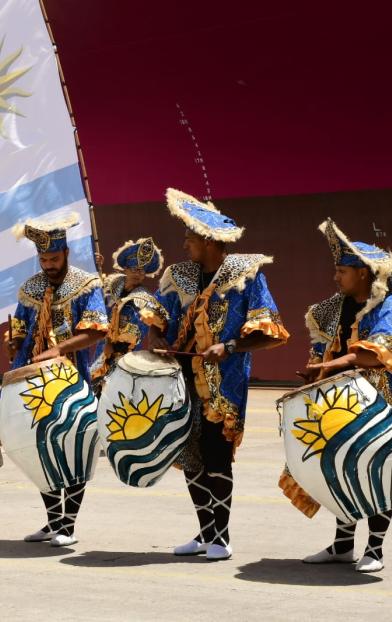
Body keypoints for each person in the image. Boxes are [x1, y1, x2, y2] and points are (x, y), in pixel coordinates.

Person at [148, 189, 289, 560]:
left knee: (216, 455)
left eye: (190, 239)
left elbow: (266, 331)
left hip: (223, 384)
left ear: (210, 242)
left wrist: (227, 347)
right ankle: (205, 531)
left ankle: (222, 537)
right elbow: (156, 321)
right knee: (189, 455)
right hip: (181, 381)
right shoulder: (178, 275)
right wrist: (159, 338)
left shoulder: (246, 275)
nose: (184, 245)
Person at [289, 218, 392, 573]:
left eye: (342, 270)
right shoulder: (332, 308)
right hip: (338, 407)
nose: (335, 276)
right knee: (339, 470)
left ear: (362, 274)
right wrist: (315, 374)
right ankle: (343, 546)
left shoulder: (390, 307)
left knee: (377, 473)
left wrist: (340, 361)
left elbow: (381, 352)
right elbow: (320, 352)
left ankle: (375, 549)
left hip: (381, 408)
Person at [1, 212, 108, 547]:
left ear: (66, 253)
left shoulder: (87, 285)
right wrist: (13, 342)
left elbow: (95, 330)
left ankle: (69, 526)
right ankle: (52, 522)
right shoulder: (30, 288)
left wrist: (59, 348)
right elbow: (18, 328)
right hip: (31, 381)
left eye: (53, 258)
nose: (48, 264)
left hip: (71, 380)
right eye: (43, 259)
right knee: (38, 449)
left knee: (72, 447)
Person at [91, 238, 168, 393]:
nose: (137, 274)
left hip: (124, 355)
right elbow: (95, 294)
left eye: (142, 271)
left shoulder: (146, 300)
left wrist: (114, 347)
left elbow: (140, 331)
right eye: (134, 269)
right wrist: (95, 265)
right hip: (102, 346)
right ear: (125, 269)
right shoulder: (111, 283)